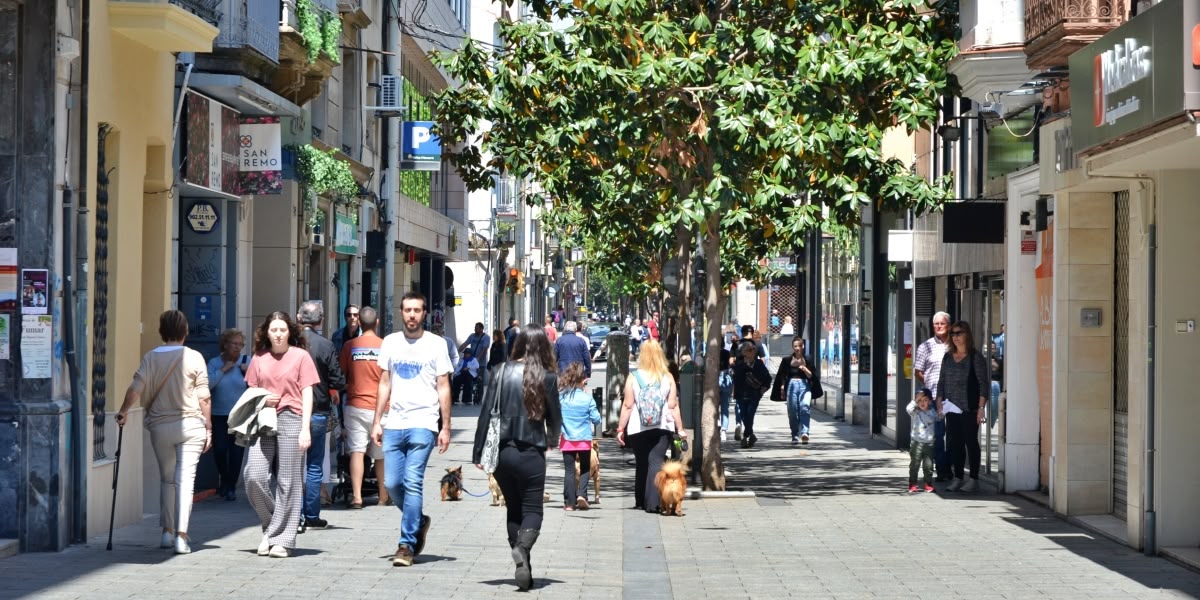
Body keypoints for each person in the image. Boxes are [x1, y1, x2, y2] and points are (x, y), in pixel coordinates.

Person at [472, 324, 562, 591]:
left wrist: (478, 452)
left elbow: (485, 414)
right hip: (531, 452)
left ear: (518, 344)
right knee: (533, 509)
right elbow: (556, 419)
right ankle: (522, 548)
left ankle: (524, 567)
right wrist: (551, 442)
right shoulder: (547, 377)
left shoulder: (500, 372)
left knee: (513, 508)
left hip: (502, 453)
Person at [115, 310, 211, 554]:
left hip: (160, 426)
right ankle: (181, 536)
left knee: (167, 479)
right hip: (190, 424)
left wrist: (124, 411)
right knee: (185, 480)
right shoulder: (194, 357)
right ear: (185, 331)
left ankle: (167, 532)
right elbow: (204, 398)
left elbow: (135, 387)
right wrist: (209, 427)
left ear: (161, 331)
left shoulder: (150, 357)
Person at [371, 292, 452, 567]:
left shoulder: (436, 344)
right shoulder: (391, 342)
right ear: (402, 312)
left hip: (424, 423)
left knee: (412, 481)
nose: (412, 315)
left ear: (424, 313)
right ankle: (418, 520)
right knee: (392, 483)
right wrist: (376, 421)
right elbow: (384, 383)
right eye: (407, 310)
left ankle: (406, 544)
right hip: (394, 423)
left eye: (417, 310)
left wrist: (446, 427)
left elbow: (443, 386)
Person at [242, 311, 320, 558]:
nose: (277, 334)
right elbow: (251, 391)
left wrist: (305, 428)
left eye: (282, 330)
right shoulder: (259, 357)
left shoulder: (301, 356)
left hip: (292, 418)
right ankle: (274, 525)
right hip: (264, 419)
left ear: (290, 332)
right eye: (273, 330)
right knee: (253, 476)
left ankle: (283, 541)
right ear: (266, 332)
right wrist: (263, 399)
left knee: (289, 481)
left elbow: (308, 392)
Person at [616, 340, 686, 513]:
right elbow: (673, 406)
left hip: (637, 428)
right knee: (656, 461)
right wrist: (681, 428)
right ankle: (654, 503)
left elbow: (627, 405)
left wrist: (620, 428)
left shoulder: (634, 376)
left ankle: (640, 500)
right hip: (663, 427)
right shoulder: (668, 377)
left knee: (641, 463)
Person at [297, 300, 345, 531]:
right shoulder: (325, 346)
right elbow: (338, 380)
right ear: (321, 320)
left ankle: (294, 515)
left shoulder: (289, 344)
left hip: (291, 411)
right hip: (318, 411)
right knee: (314, 465)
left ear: (298, 319)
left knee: (292, 466)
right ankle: (312, 515)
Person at [339, 306, 388, 509]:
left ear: (359, 322)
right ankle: (383, 496)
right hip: (382, 408)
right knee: (381, 455)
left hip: (355, 405)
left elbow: (341, 371)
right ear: (377, 323)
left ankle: (357, 497)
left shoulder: (350, 346)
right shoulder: (386, 346)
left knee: (357, 452)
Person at [936, 320, 990, 493]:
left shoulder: (975, 357)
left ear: (967, 335)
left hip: (970, 408)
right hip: (951, 407)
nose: (955, 337)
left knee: (970, 442)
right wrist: (939, 401)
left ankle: (974, 478)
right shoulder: (947, 357)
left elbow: (983, 384)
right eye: (953, 334)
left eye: (959, 333)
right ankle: (958, 477)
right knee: (955, 444)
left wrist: (981, 408)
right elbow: (941, 381)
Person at [207, 328, 249, 501]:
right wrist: (223, 370)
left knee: (237, 452)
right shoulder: (214, 363)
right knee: (220, 450)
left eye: (240, 344)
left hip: (240, 415)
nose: (237, 348)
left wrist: (248, 373)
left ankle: (231, 485)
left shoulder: (247, 361)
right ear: (225, 344)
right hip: (219, 414)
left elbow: (259, 384)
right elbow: (207, 385)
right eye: (234, 344)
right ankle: (224, 478)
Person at [556, 362, 600, 511]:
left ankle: (569, 503)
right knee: (586, 468)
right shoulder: (587, 399)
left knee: (569, 471)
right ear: (583, 381)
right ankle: (581, 493)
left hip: (567, 439)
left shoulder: (562, 398)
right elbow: (597, 419)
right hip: (584, 439)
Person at [913, 311, 951, 481]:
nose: (939, 327)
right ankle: (942, 470)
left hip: (955, 399)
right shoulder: (925, 346)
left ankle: (954, 468)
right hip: (935, 398)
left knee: (955, 436)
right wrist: (928, 384)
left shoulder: (956, 345)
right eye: (936, 324)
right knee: (937, 435)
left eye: (942, 323)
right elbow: (918, 371)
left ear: (948, 325)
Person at [771, 338, 815, 445]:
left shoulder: (808, 358)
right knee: (793, 411)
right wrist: (782, 387)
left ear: (803, 347)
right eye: (795, 346)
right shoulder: (787, 360)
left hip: (805, 385)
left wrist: (804, 368)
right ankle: (795, 435)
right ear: (792, 347)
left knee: (805, 406)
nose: (797, 348)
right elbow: (782, 374)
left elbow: (812, 376)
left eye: (799, 346)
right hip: (791, 385)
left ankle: (805, 433)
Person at [732, 340, 771, 448]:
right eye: (749, 350)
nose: (752, 351)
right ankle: (751, 435)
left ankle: (745, 436)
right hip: (741, 395)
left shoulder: (759, 364)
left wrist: (764, 389)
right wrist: (734, 392)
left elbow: (768, 378)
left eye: (754, 349)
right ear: (744, 352)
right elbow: (736, 379)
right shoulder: (739, 365)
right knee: (743, 416)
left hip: (754, 395)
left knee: (749, 415)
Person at [907, 388, 937, 493]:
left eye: (925, 400)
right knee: (915, 464)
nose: (922, 402)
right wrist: (915, 400)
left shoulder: (933, 412)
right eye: (919, 400)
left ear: (929, 401)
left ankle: (928, 483)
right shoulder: (915, 412)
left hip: (929, 443)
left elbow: (938, 418)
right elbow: (908, 408)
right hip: (916, 442)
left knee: (928, 466)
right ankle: (912, 483)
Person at [460, 322, 492, 403]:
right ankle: (468, 397)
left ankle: (478, 398)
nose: (475, 329)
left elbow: (485, 349)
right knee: (468, 378)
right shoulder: (472, 336)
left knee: (479, 380)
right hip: (471, 362)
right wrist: (461, 347)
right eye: (475, 328)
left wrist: (479, 358)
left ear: (481, 329)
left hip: (480, 363)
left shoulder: (486, 337)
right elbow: (466, 342)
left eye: (477, 328)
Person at [718, 346, 734, 442]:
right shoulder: (727, 353)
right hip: (726, 378)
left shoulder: (709, 353)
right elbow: (731, 365)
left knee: (714, 405)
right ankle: (724, 430)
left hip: (715, 378)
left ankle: (717, 423)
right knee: (725, 407)